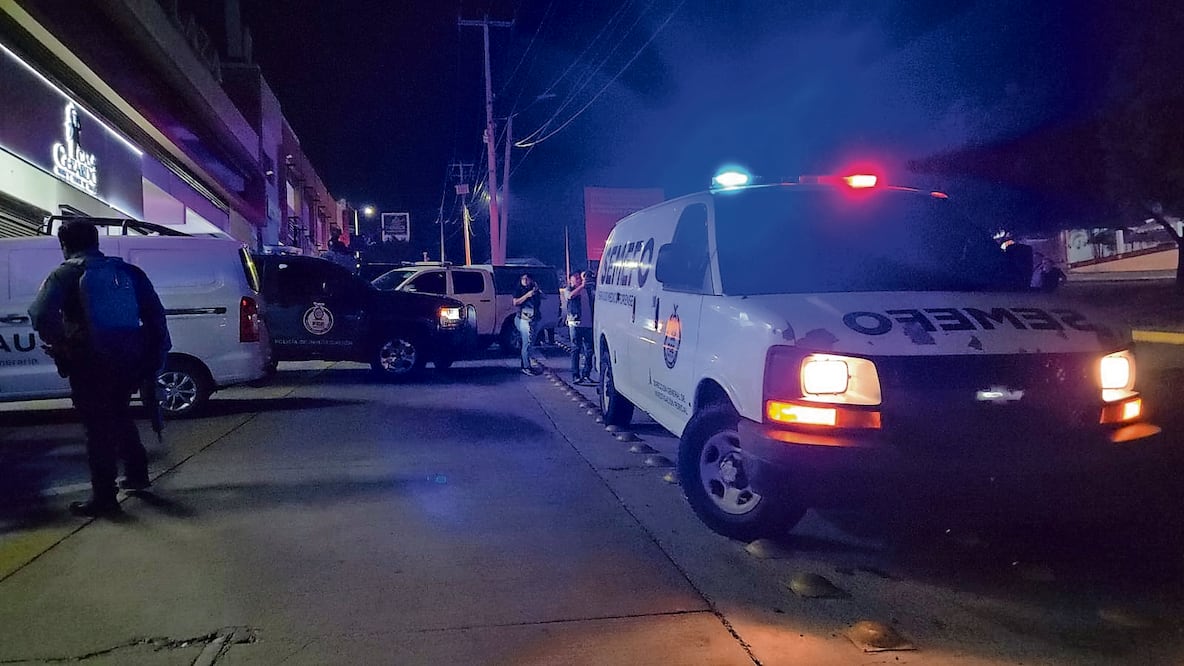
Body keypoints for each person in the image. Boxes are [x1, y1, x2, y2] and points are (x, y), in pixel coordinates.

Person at [29, 221, 171, 518]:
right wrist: (153, 355)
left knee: (97, 428)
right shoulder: (128, 271)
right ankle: (136, 473)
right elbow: (155, 314)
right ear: (96, 241)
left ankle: (104, 496)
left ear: (64, 245)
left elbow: (40, 313)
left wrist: (62, 345)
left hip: (89, 360)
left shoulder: (66, 273)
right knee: (119, 413)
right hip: (129, 359)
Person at [564, 271, 595, 384]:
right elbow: (570, 296)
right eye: (576, 278)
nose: (579, 280)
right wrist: (582, 286)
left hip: (588, 324)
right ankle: (575, 375)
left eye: (580, 278)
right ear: (570, 280)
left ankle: (586, 374)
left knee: (589, 350)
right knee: (576, 349)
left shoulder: (587, 290)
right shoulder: (569, 289)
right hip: (575, 323)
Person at [512, 273, 542, 375]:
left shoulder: (535, 290)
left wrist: (537, 291)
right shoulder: (519, 290)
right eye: (523, 279)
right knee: (527, 343)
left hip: (534, 319)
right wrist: (527, 295)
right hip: (523, 319)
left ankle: (526, 363)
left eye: (527, 279)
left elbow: (543, 298)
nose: (525, 280)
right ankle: (526, 367)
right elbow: (515, 302)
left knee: (530, 343)